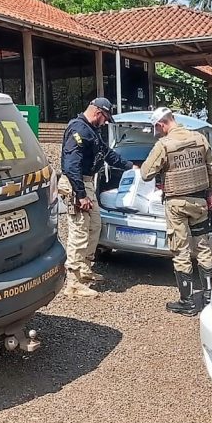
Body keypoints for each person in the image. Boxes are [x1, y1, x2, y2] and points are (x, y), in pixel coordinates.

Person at [140, 107, 212, 316]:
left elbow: (146, 173)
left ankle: (188, 302)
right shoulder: (200, 138)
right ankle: (210, 296)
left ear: (161, 124)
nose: (156, 132)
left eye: (156, 128)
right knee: (203, 247)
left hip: (176, 204)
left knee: (180, 249)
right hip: (200, 201)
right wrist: (209, 192)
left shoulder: (164, 145)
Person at [58, 97, 134, 299]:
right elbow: (71, 165)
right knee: (80, 231)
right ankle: (73, 283)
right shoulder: (78, 129)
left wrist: (130, 167)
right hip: (77, 184)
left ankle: (84, 269)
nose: (106, 122)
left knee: (94, 226)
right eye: (106, 117)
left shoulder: (91, 131)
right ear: (98, 112)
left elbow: (107, 154)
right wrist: (80, 194)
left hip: (87, 183)